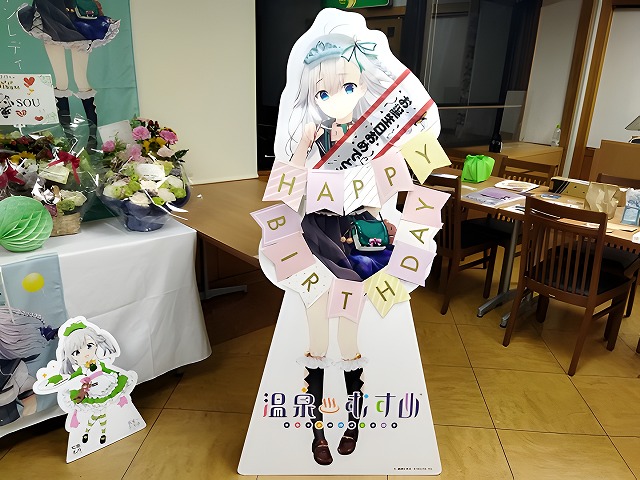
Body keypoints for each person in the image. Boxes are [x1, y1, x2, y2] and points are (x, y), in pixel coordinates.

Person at [281, 33, 405, 466]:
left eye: (348, 86)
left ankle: (353, 425)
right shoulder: (309, 136)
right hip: (315, 235)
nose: (337, 98)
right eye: (324, 92)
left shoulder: (373, 140)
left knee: (349, 341)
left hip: (356, 239)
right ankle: (318, 432)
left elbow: (380, 193)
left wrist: (381, 221)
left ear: (363, 86)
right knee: (317, 340)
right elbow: (285, 191)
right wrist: (303, 145)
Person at [17, 0, 120, 143]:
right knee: (63, 81)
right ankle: (70, 139)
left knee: (79, 80)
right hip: (51, 19)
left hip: (75, 22)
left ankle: (91, 137)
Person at [42, 320, 134, 445]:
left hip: (106, 388)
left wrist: (119, 377)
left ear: (96, 344)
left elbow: (109, 371)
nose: (85, 354)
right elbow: (71, 379)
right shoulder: (81, 371)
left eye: (89, 346)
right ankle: (91, 432)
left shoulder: (100, 364)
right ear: (71, 357)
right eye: (77, 352)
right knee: (97, 414)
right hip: (92, 393)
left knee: (101, 413)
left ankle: (99, 433)